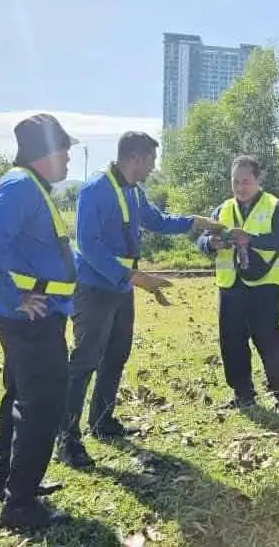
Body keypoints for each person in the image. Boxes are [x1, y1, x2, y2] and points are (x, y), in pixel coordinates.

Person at [55, 131, 225, 469]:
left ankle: (102, 420)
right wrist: (137, 278)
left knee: (116, 355)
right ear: (135, 157)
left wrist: (196, 222)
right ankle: (67, 439)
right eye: (151, 160)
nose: (152, 167)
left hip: (122, 288)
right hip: (95, 288)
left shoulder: (134, 191)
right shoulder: (95, 189)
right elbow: (89, 246)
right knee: (85, 360)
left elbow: (156, 220)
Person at [0, 113, 80, 529]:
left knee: (21, 397)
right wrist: (12, 297)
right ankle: (20, 505)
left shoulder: (29, 186)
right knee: (43, 404)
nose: (68, 159)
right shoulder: (20, 186)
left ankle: (11, 481)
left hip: (35, 317)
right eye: (65, 151)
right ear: (47, 153)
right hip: (31, 319)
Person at [196, 155, 279, 411]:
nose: (240, 187)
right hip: (230, 285)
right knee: (231, 342)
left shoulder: (275, 206)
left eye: (246, 181)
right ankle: (243, 395)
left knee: (268, 339)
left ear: (258, 179)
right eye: (235, 181)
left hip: (265, 285)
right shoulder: (222, 210)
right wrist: (211, 244)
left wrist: (250, 239)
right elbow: (202, 240)